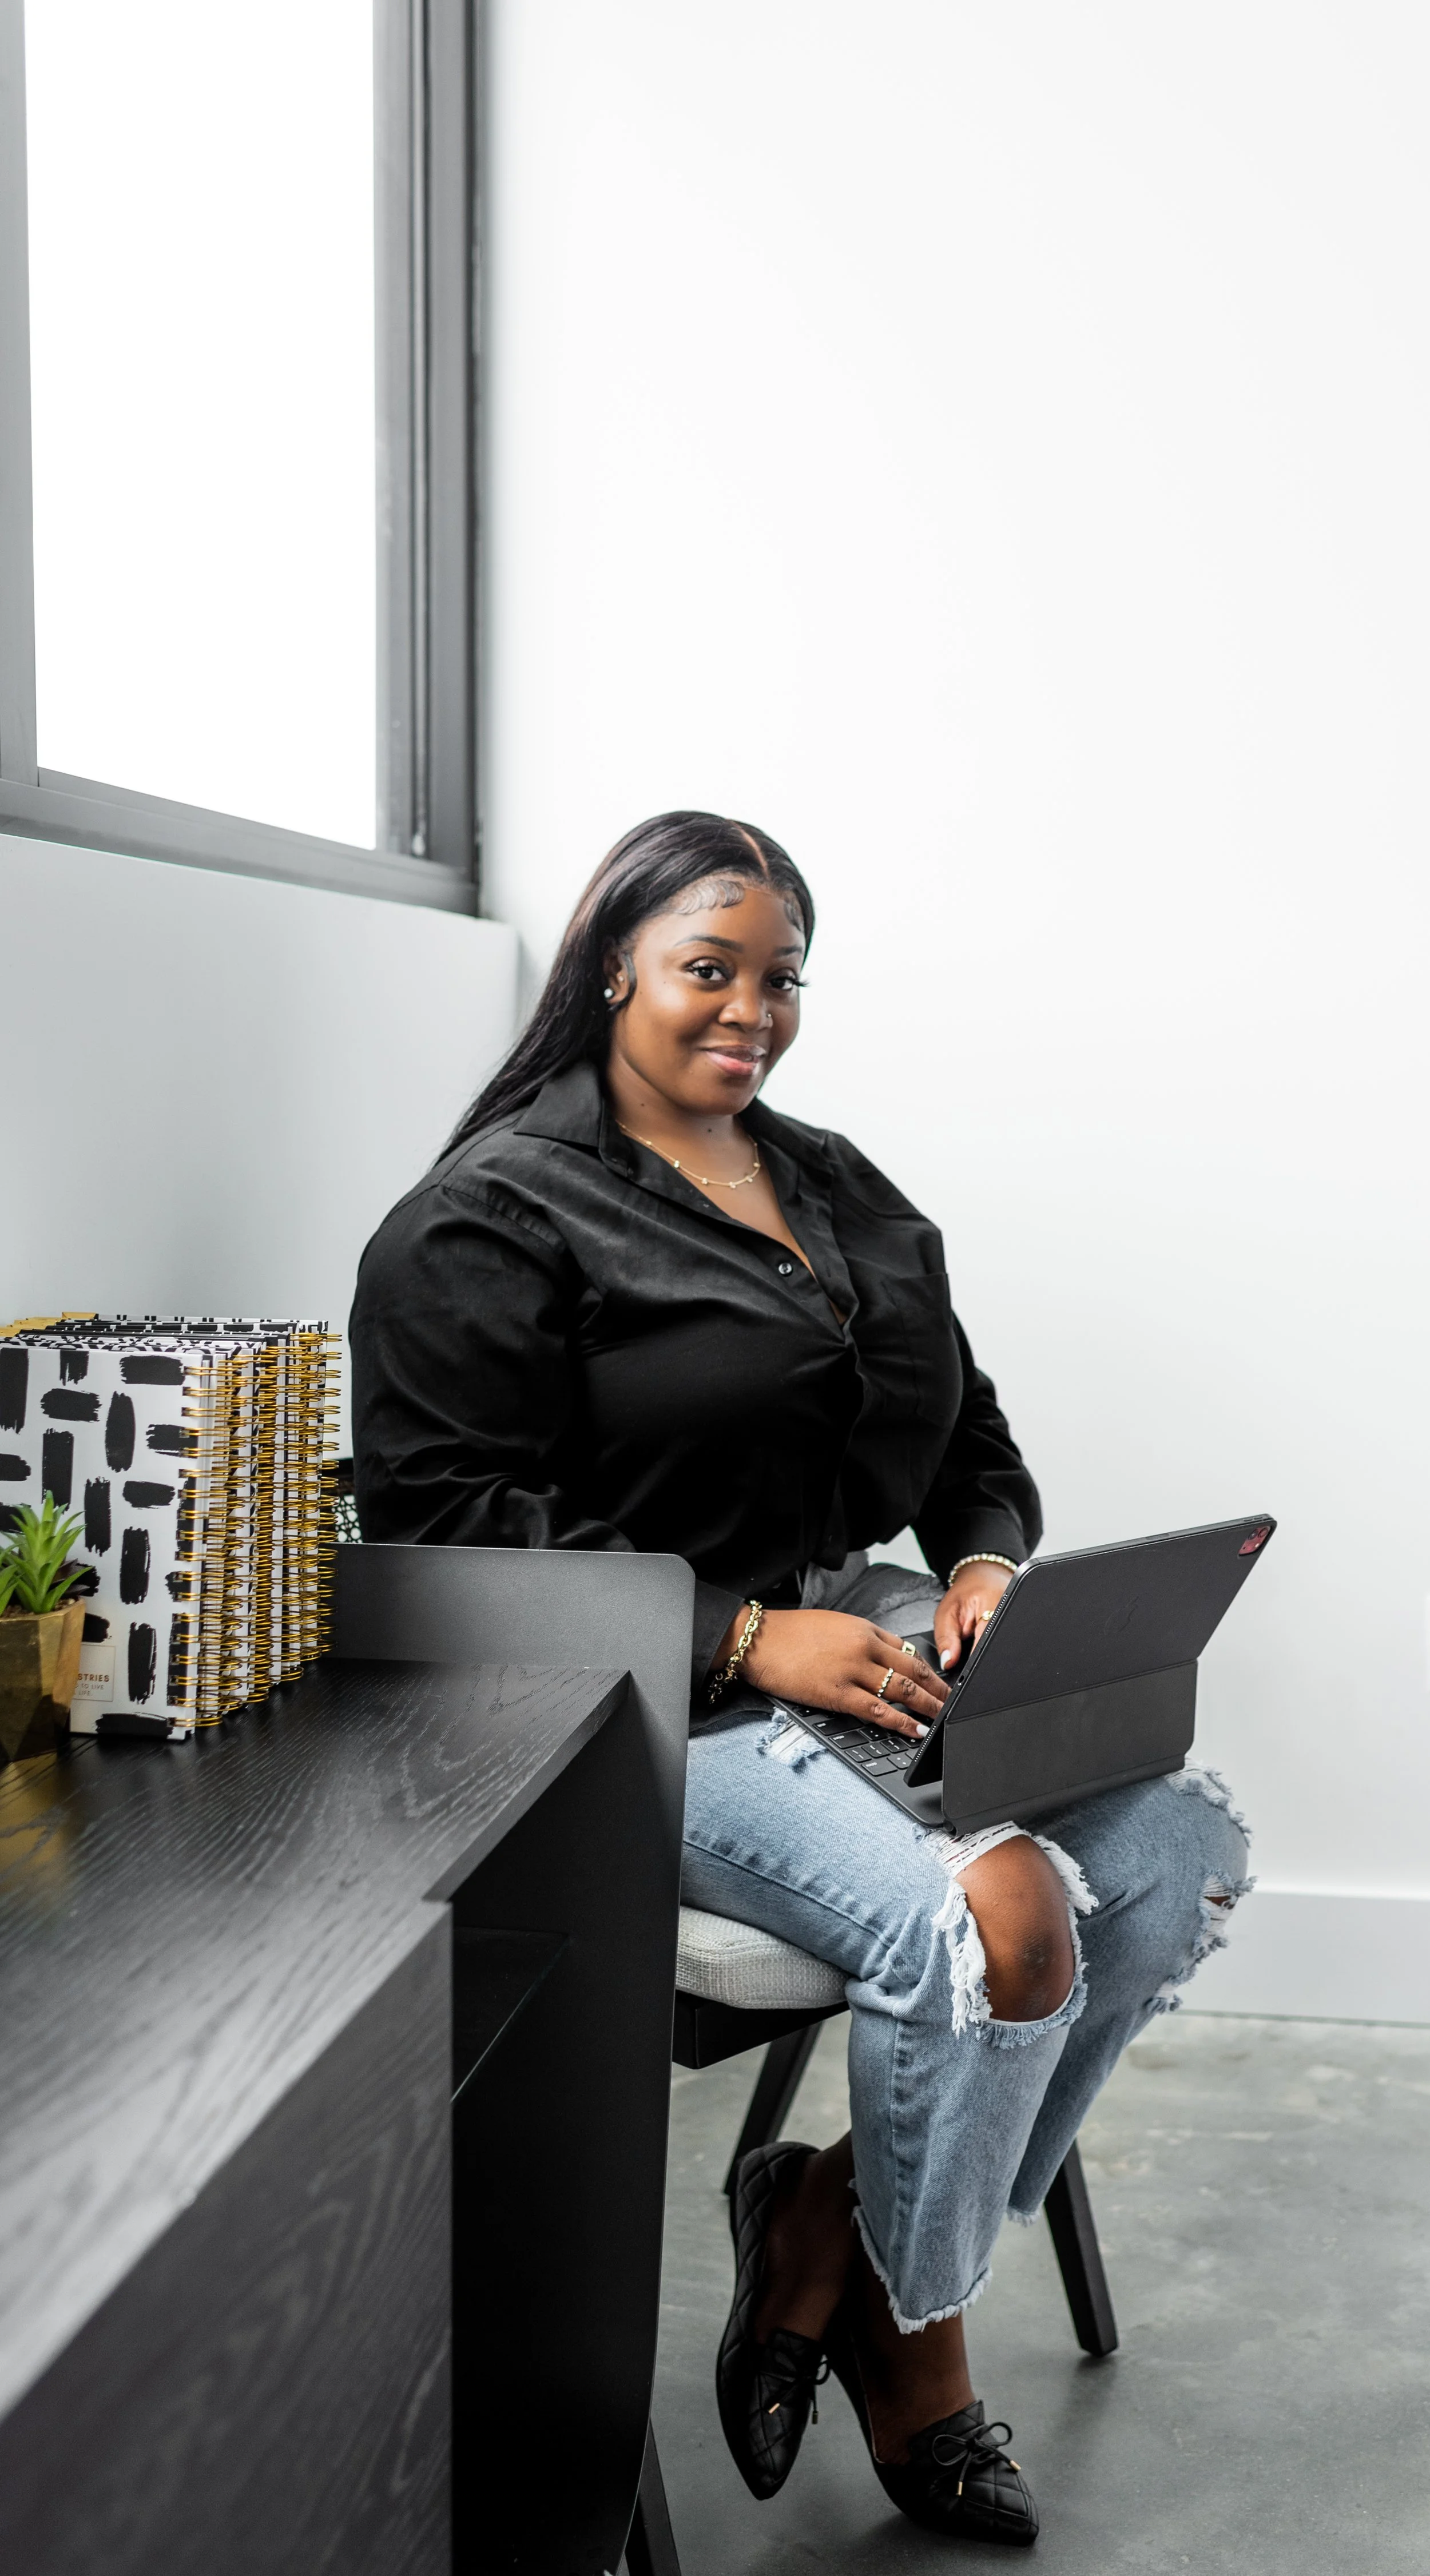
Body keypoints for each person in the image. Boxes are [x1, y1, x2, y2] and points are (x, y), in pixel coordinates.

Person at [350, 811, 1251, 2547]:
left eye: (779, 979)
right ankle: (920, 2360)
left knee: (1167, 1853)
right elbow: (443, 1530)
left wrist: (983, 1570)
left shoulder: (834, 1183)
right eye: (709, 967)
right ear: (614, 960)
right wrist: (750, 1638)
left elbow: (969, 1444)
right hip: (631, 1694)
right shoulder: (486, 1219)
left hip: (873, 1639)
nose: (746, 1010)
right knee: (992, 1918)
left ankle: (826, 2221)